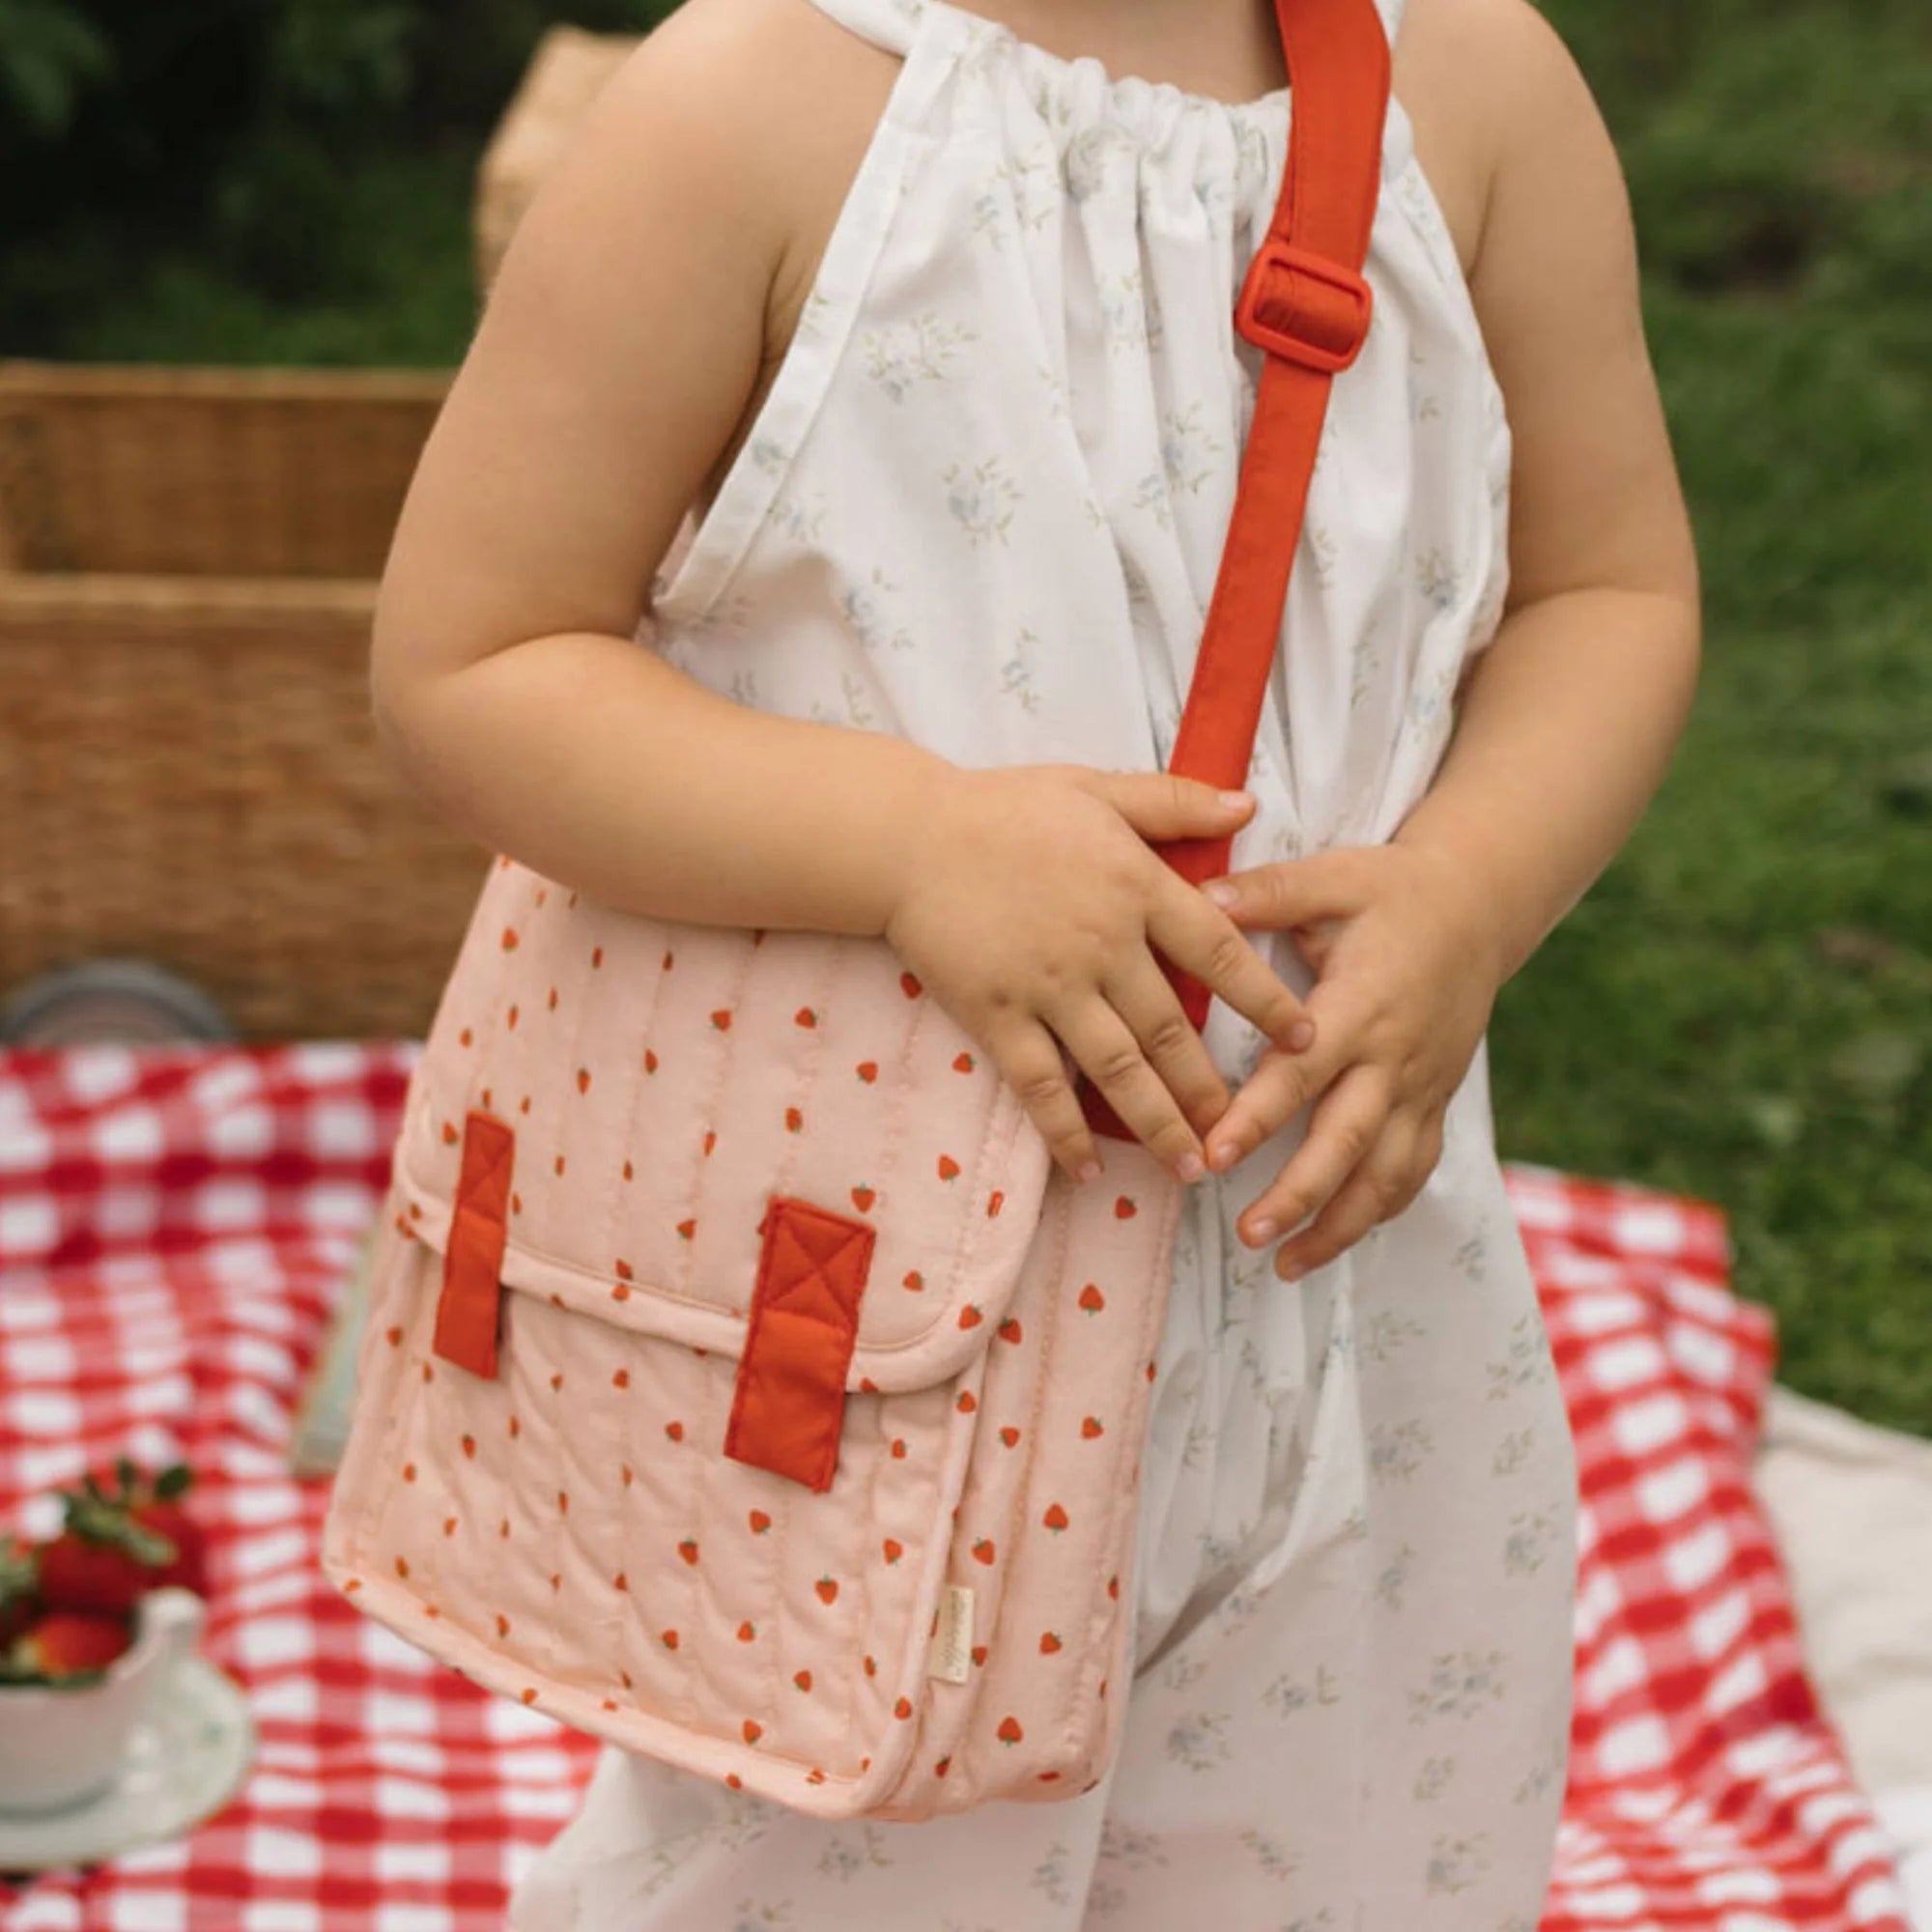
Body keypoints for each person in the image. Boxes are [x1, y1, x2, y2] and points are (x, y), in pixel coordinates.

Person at [364, 0, 1701, 1921]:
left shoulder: (1478, 86)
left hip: (1347, 1317)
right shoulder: (742, 110)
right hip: (882, 1338)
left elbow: (1607, 586)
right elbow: (473, 661)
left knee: (1350, 1856)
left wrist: (1471, 890)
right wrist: (915, 842)